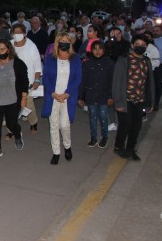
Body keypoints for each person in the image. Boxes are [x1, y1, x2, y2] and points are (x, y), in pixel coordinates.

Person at [112, 35, 154, 161]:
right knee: (125, 124)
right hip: (125, 99)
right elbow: (117, 82)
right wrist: (118, 101)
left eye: (143, 44)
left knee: (137, 125)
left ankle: (130, 149)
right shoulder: (124, 59)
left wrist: (151, 102)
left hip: (140, 99)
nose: (140, 46)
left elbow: (150, 82)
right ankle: (119, 147)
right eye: (137, 44)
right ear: (132, 45)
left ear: (146, 47)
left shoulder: (147, 61)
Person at [42, 33, 82, 165]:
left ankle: (67, 146)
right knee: (53, 124)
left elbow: (78, 78)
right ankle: (56, 152)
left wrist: (67, 93)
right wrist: (52, 93)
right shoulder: (50, 58)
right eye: (62, 40)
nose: (64, 43)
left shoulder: (75, 58)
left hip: (67, 97)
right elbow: (46, 77)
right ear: (57, 42)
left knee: (64, 125)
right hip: (53, 96)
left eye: (67, 41)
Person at [0, 39, 28, 158]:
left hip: (12, 100)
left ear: (9, 49)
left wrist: (24, 98)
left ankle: (17, 135)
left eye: (3, 49)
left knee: (11, 123)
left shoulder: (18, 64)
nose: (0, 51)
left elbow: (24, 81)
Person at [78, 41, 114, 149]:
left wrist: (111, 96)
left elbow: (112, 81)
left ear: (104, 50)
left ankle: (104, 137)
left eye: (100, 48)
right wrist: (80, 97)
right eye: (95, 49)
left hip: (104, 95)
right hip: (91, 95)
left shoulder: (109, 63)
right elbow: (83, 81)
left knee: (103, 116)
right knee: (92, 117)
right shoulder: (87, 63)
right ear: (91, 50)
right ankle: (93, 138)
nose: (97, 51)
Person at [11, 24, 42, 133]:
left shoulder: (31, 45)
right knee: (11, 106)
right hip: (11, 81)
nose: (17, 35)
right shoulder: (10, 45)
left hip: (27, 81)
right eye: (15, 32)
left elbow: (37, 64)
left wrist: (37, 79)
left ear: (24, 33)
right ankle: (12, 129)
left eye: (20, 32)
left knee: (28, 104)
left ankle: (33, 122)